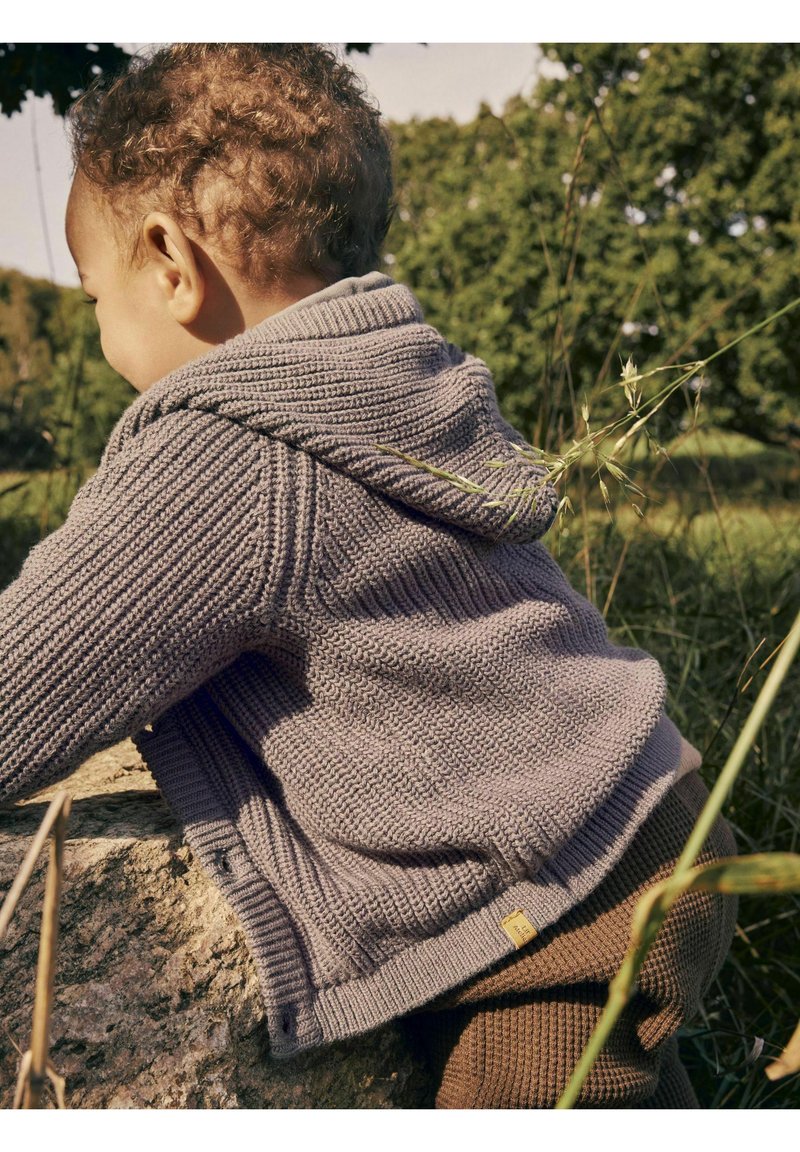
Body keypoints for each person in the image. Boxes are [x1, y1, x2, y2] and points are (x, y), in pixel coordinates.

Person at [0, 43, 739, 1108]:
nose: (103, 330)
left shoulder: (225, 448)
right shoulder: (396, 372)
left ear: (169, 261)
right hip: (639, 799)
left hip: (556, 901)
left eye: (95, 298)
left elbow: (28, 678)